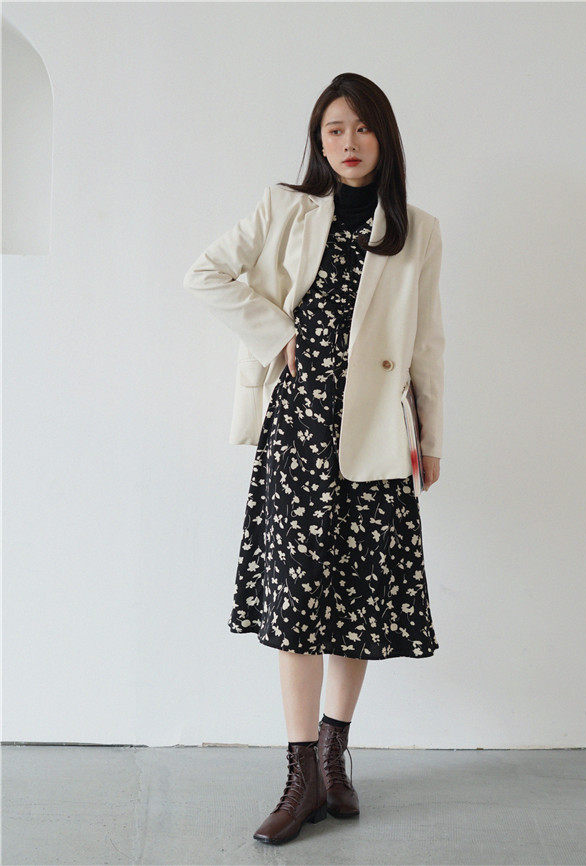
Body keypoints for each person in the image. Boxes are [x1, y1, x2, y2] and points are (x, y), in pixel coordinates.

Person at [183, 72, 445, 846]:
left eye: (362, 128)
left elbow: (427, 340)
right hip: (299, 428)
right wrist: (277, 334)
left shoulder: (418, 229)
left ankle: (334, 756)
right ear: (318, 141)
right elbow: (205, 273)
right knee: (296, 601)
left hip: (377, 434)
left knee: (354, 602)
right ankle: (301, 777)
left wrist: (431, 438)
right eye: (335, 129)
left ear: (384, 137)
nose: (349, 142)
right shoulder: (286, 208)